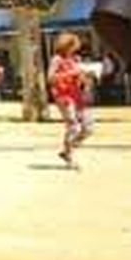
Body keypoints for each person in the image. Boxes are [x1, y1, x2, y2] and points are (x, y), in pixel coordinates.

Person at [49, 32, 93, 167]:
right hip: (64, 96)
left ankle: (67, 150)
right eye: (73, 46)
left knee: (88, 127)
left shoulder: (76, 60)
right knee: (73, 126)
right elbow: (50, 78)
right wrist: (70, 73)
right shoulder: (56, 60)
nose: (75, 48)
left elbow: (80, 80)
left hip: (77, 95)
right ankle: (69, 154)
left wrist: (85, 76)